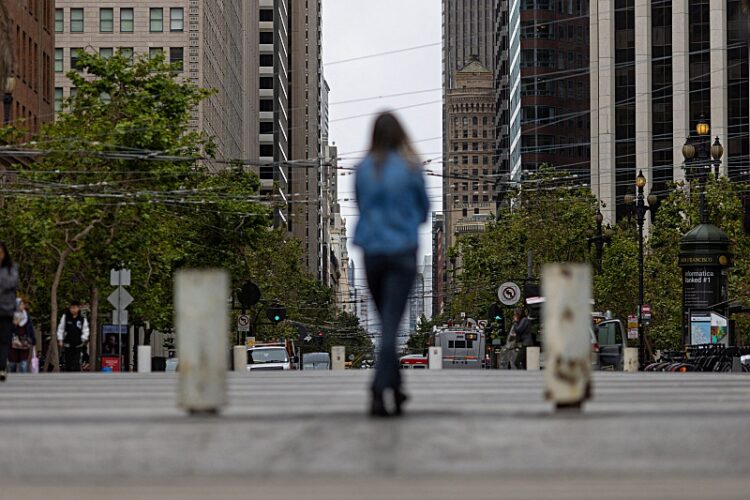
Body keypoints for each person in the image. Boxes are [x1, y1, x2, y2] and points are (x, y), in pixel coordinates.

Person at [354, 112, 429, 417]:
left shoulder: (362, 169)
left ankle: (395, 389)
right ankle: (377, 388)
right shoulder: (412, 168)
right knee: (389, 324)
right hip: (401, 252)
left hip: (372, 252)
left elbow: (360, 205)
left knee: (386, 321)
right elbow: (424, 211)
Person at [0, 242, 19, 382]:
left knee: (5, 340)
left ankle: (2, 368)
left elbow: (12, 283)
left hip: (6, 310)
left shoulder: (11, 268)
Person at [56, 301, 90, 372]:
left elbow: (85, 329)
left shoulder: (82, 319)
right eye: (72, 308)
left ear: (78, 308)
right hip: (68, 342)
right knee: (68, 361)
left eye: (75, 308)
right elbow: (61, 328)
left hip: (78, 343)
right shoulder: (65, 317)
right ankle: (68, 376)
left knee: (76, 361)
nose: (73, 309)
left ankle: (76, 376)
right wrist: (60, 339)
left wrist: (83, 339)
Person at [8, 298, 36, 373]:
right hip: (13, 342)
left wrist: (33, 340)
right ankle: (12, 380)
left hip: (24, 341)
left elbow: (30, 328)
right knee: (12, 364)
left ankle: (23, 381)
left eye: (22, 304)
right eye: (20, 304)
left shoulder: (26, 315)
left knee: (23, 363)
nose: (22, 306)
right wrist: (14, 324)